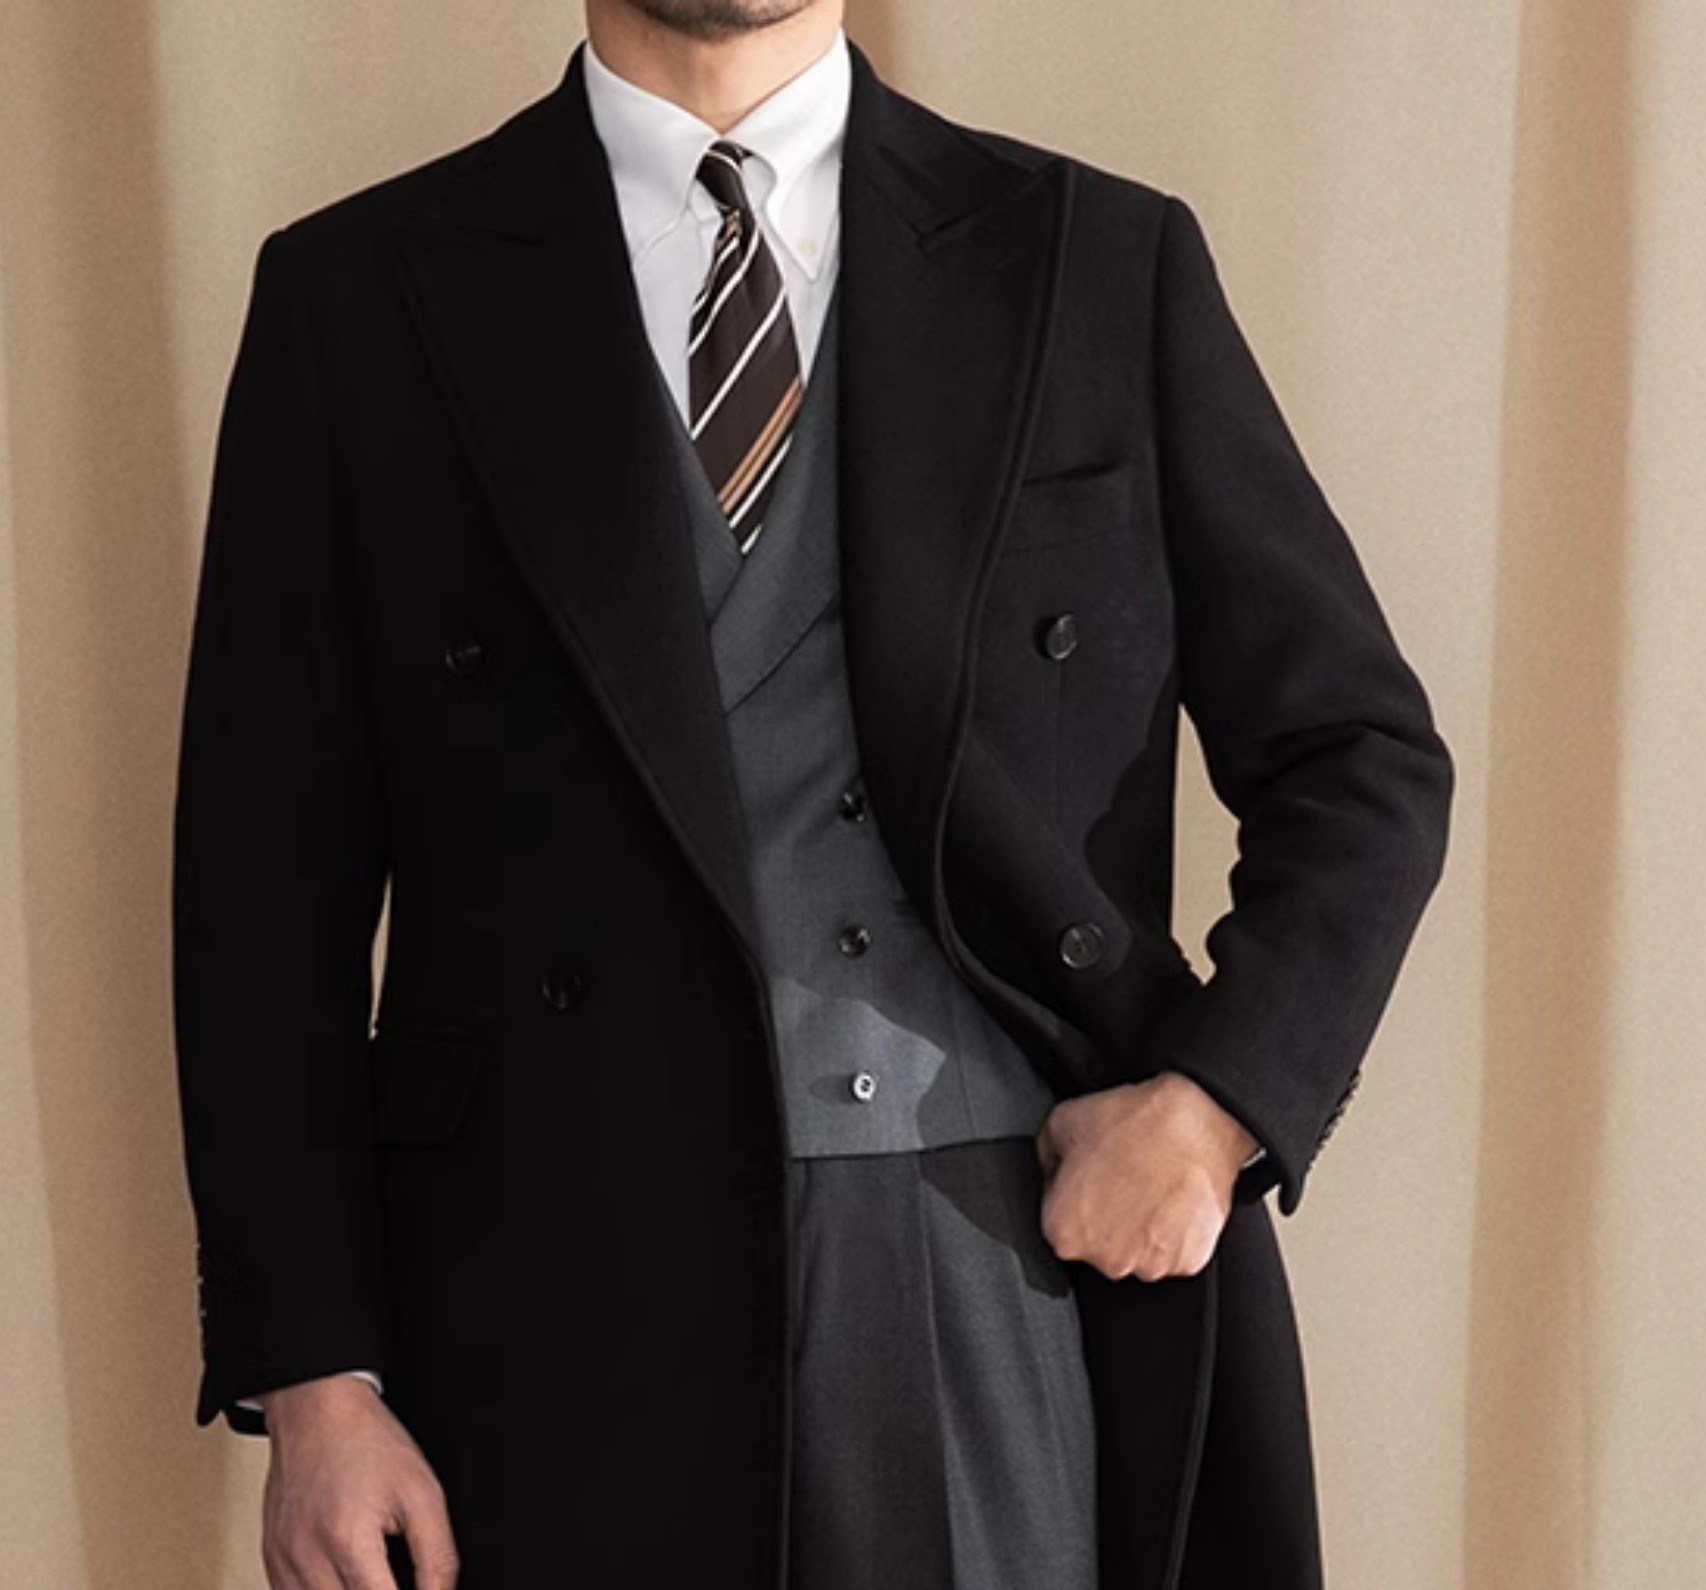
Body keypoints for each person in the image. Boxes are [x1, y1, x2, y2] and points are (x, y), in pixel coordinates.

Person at [170, 2, 1454, 1586]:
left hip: (993, 1264)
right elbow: (261, 901)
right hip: (544, 1300)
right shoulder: (359, 295)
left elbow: (1360, 756)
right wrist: (315, 1378)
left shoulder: (1098, 261)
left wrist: (1218, 1102)